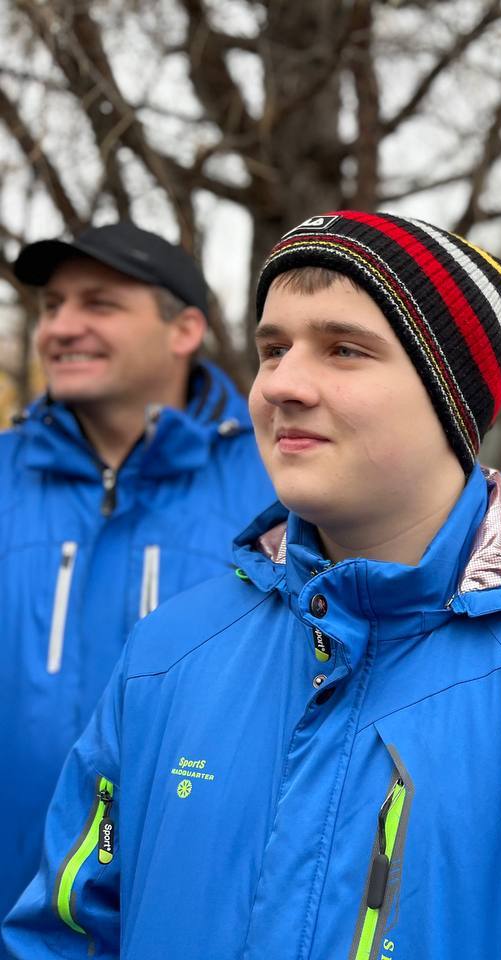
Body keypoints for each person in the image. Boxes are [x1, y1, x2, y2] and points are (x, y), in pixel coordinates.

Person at [3, 210, 501, 959]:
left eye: (344, 349)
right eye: (273, 349)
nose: (282, 383)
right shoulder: (170, 650)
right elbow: (66, 936)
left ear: (449, 397)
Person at [0, 222, 273, 924]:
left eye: (99, 303)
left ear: (184, 330)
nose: (62, 326)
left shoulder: (276, 490)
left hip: (188, 917)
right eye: (52, 305)